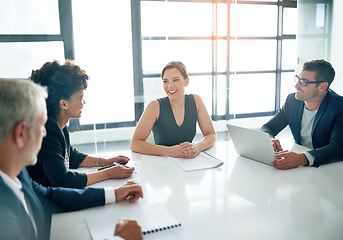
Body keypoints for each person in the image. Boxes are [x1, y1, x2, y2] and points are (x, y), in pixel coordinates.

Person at [0, 78, 143, 240]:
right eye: (41, 125)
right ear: (21, 134)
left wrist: (114, 194)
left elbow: (49, 195)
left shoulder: (17, 173)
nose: (44, 133)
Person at [26, 60, 135, 189]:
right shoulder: (48, 129)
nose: (84, 103)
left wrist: (106, 162)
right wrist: (108, 173)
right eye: (80, 98)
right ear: (63, 104)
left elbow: (70, 156)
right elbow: (63, 181)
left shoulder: (57, 122)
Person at [260, 59, 343, 170]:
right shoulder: (292, 101)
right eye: (298, 79)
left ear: (322, 86)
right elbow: (268, 127)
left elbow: (338, 147)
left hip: (330, 168)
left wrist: (302, 158)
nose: (296, 85)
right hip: (301, 168)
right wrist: (269, 139)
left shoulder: (339, 106)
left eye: (303, 82)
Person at [131, 61, 216, 158]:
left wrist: (198, 147)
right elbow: (135, 144)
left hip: (187, 163)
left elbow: (211, 134)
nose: (170, 86)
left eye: (175, 80)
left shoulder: (196, 101)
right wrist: (169, 151)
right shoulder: (154, 106)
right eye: (165, 81)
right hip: (161, 163)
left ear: (186, 81)